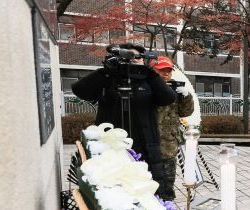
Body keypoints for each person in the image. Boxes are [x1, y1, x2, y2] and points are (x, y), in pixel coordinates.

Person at [72, 43, 177, 189]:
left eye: (136, 58)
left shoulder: (148, 80)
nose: (132, 61)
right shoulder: (107, 78)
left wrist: (151, 75)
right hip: (110, 145)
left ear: (143, 60)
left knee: (147, 188)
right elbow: (79, 90)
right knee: (113, 187)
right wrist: (106, 72)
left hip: (144, 145)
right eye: (127, 57)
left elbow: (168, 98)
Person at [149, 56, 194, 201]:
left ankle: (168, 207)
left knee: (168, 182)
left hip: (169, 143)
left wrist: (186, 96)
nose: (166, 73)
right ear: (154, 70)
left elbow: (186, 112)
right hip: (149, 142)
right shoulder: (146, 86)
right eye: (162, 70)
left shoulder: (175, 87)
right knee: (149, 182)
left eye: (168, 70)